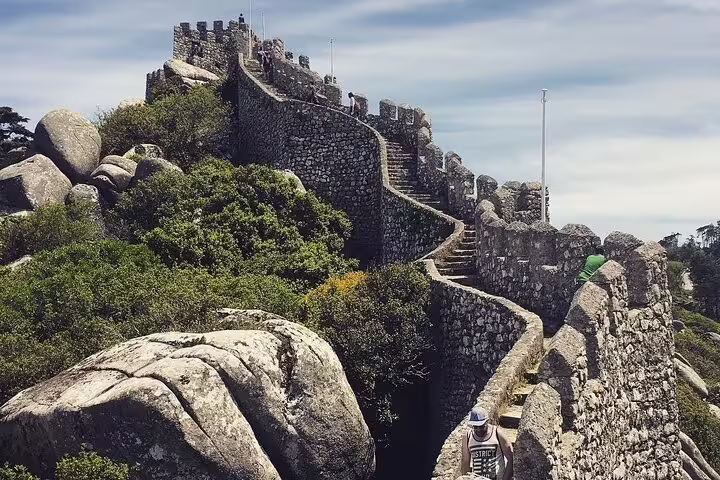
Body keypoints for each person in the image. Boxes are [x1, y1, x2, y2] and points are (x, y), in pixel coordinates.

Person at [460, 407, 513, 480]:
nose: (478, 429)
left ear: (487, 421)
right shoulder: (468, 437)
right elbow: (466, 462)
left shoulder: (497, 433)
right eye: (475, 426)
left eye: (481, 426)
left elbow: (511, 458)